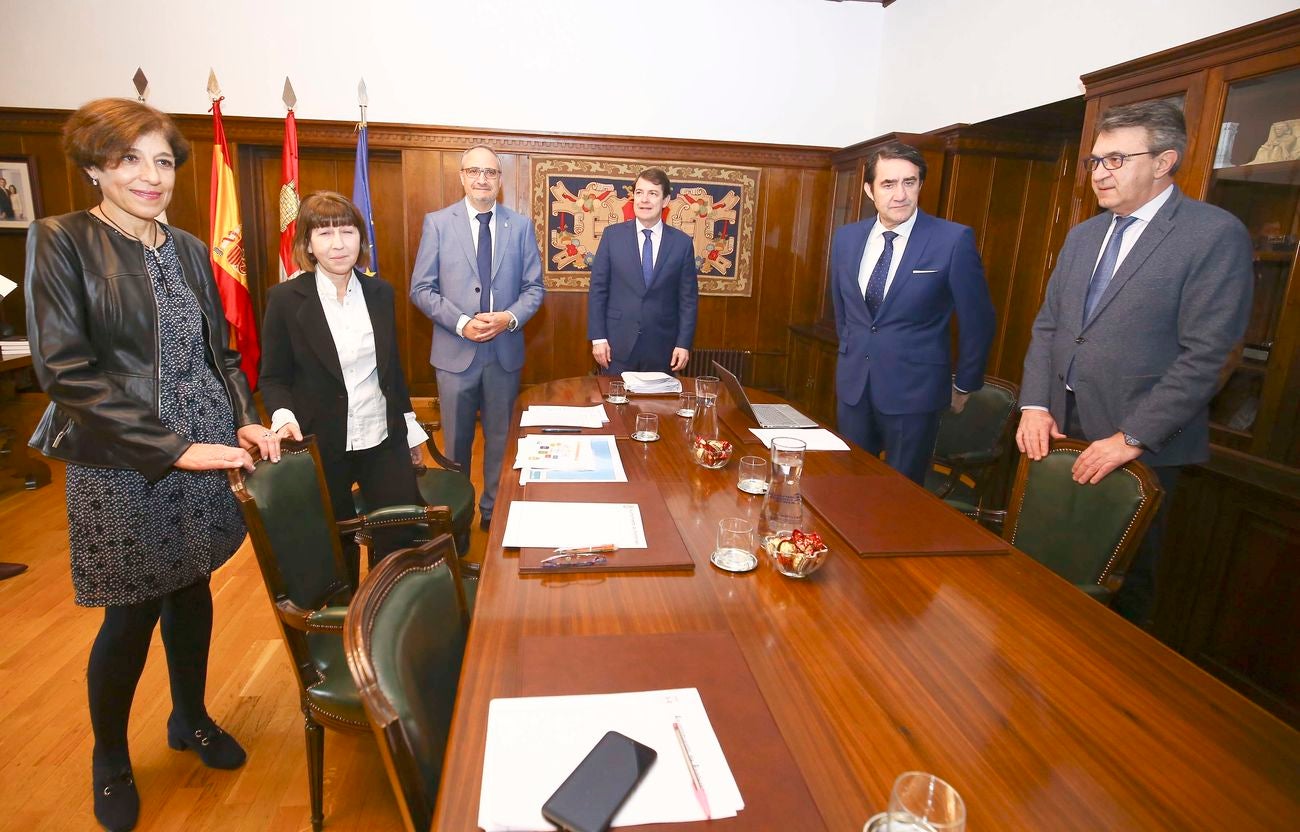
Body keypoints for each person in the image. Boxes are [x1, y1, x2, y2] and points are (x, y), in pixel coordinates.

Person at [25, 98, 281, 832]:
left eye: (162, 160)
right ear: (95, 166)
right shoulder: (63, 239)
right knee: (131, 610)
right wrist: (171, 448)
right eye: (129, 158)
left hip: (207, 444)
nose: (149, 175)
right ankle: (110, 756)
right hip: (122, 457)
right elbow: (65, 371)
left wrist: (244, 416)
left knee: (192, 584)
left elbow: (220, 354)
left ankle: (190, 718)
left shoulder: (192, 248)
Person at [1017, 100, 1253, 624]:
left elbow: (1209, 355)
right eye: (1095, 161)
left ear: (1164, 161)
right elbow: (1050, 327)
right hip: (1061, 428)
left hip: (1143, 443)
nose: (1100, 173)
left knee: (1123, 583)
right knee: (1052, 564)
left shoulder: (1211, 234)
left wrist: (1131, 438)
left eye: (1115, 160)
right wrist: (1034, 403)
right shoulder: (1084, 236)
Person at [259, 191, 428, 584]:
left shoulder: (380, 293)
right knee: (334, 544)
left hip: (381, 434)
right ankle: (345, 617)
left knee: (399, 535)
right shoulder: (285, 300)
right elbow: (273, 376)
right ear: (307, 245)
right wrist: (283, 416)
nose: (338, 244)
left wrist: (411, 430)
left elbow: (392, 371)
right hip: (322, 440)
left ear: (360, 239)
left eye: (347, 232)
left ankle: (387, 616)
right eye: (324, 234)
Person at [829, 141, 995, 484]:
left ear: (920, 184)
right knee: (849, 484)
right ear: (869, 190)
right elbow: (843, 309)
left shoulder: (951, 240)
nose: (900, 194)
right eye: (888, 184)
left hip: (915, 392)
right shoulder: (846, 239)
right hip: (854, 386)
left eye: (910, 182)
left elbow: (978, 319)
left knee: (902, 493)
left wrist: (964, 383)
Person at [410, 144, 545, 531]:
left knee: (501, 441)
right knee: (456, 443)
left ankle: (492, 511)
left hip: (504, 352)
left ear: (500, 181)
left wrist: (508, 318)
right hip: (455, 353)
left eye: (490, 173)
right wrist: (461, 322)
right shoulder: (437, 223)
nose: (482, 179)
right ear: (462, 177)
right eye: (474, 172)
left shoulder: (519, 226)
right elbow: (421, 289)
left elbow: (534, 289)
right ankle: (458, 517)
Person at [588, 167, 698, 375]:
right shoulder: (612, 236)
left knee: (657, 407)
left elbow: (688, 300)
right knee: (614, 406)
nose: (644, 200)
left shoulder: (682, 243)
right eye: (639, 193)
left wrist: (684, 344)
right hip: (615, 347)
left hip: (662, 349)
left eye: (652, 193)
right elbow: (598, 290)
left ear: (665, 201)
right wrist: (598, 338)